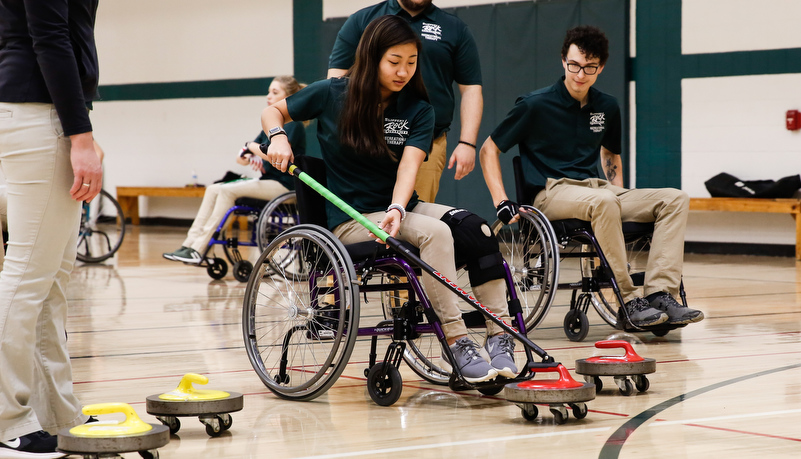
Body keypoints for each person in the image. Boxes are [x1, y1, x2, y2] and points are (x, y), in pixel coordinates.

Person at [265, 15, 515, 383]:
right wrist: (278, 136)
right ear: (372, 58)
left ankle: (500, 335)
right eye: (394, 62)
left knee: (476, 228)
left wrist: (398, 207)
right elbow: (274, 110)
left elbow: (408, 168)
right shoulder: (333, 93)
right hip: (352, 220)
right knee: (436, 234)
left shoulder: (418, 109)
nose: (403, 72)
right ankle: (459, 341)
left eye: (411, 63)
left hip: (398, 207)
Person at [479, 25, 704, 329]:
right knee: (604, 201)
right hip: (551, 192)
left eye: (589, 67)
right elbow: (489, 150)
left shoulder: (607, 106)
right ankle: (626, 299)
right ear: (563, 61)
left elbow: (611, 156)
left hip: (597, 190)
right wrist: (500, 200)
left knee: (675, 199)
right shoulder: (534, 104)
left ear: (601, 67)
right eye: (574, 65)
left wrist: (619, 206)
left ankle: (660, 294)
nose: (580, 74)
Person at [0, 0, 102, 457]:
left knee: (53, 278)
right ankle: (6, 418)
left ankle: (58, 412)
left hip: (47, 112)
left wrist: (80, 128)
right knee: (26, 276)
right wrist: (79, 135)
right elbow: (49, 36)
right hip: (39, 113)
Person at [328, 0, 482, 203]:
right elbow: (337, 80)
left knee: (414, 215)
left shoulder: (454, 28)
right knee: (365, 214)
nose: (403, 71)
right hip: (367, 140)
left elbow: (471, 88)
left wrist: (467, 143)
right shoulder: (362, 20)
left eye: (411, 62)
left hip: (426, 140)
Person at [163, 76, 306, 264]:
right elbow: (243, 157)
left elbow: (272, 153)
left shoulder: (293, 125)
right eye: (269, 91)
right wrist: (246, 154)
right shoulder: (270, 126)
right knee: (213, 188)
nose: (268, 96)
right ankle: (189, 245)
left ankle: (200, 247)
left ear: (289, 96)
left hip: (284, 185)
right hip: (267, 182)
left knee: (226, 191)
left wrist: (252, 148)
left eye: (275, 92)